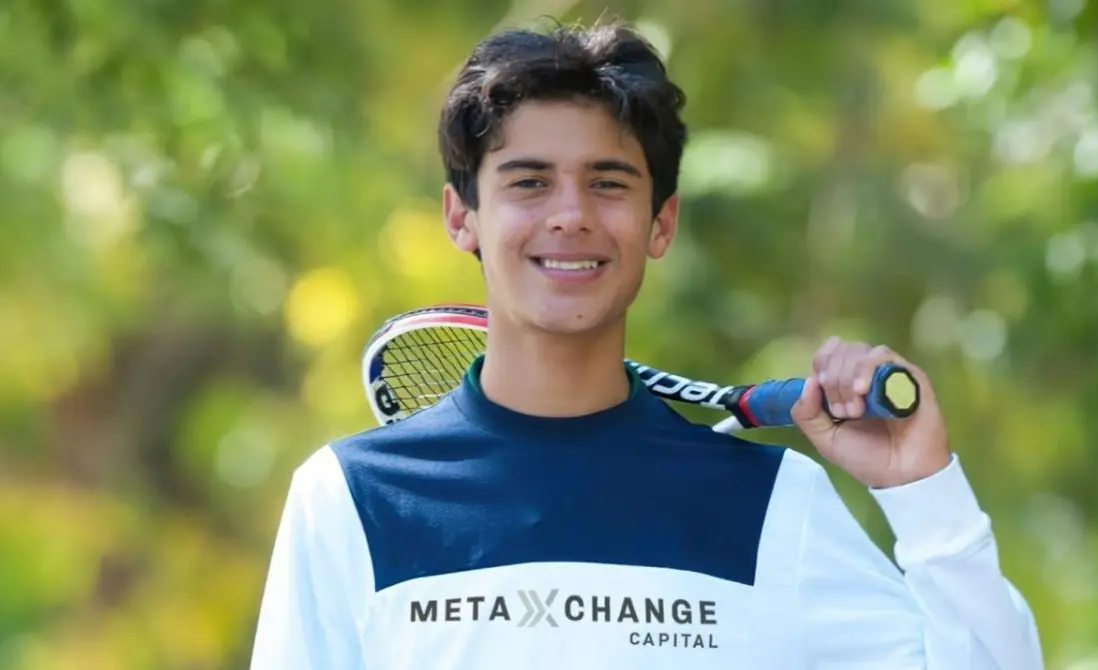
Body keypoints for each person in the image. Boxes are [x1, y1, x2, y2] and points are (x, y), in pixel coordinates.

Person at [249, 19, 1045, 670]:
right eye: (528, 182)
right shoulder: (350, 499)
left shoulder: (772, 506)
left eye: (607, 182)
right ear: (462, 217)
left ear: (659, 222)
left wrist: (923, 491)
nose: (570, 214)